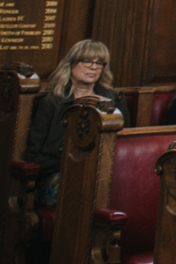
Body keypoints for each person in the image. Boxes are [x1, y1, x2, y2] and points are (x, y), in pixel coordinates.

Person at [27, 38, 124, 205]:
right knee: (83, 188)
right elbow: (33, 155)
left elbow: (123, 143)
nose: (94, 67)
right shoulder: (52, 103)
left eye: (99, 63)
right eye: (87, 61)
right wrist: (77, 165)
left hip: (104, 173)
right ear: (71, 64)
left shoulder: (114, 100)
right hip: (60, 174)